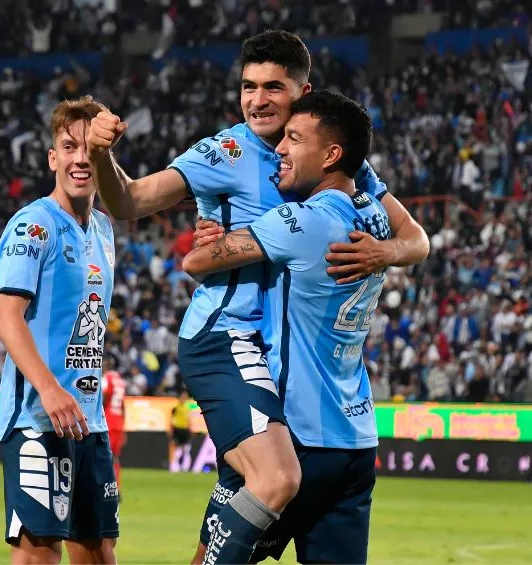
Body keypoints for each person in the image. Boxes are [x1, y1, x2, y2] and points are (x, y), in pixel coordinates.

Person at [87, 30, 429, 562]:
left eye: (273, 87)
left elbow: (417, 239)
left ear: (302, 91)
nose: (258, 100)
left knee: (232, 518)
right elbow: (129, 201)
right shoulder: (224, 152)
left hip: (275, 359)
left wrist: (382, 252)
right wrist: (100, 154)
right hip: (227, 337)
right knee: (274, 479)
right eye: (249, 87)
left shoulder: (336, 159)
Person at [183, 90, 388, 564]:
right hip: (356, 439)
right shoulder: (375, 219)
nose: (279, 148)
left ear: (331, 155)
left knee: (212, 556)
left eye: (294, 139)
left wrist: (214, 228)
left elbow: (196, 262)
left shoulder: (300, 221)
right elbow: (414, 239)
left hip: (294, 435)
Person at [0, 96, 119, 565]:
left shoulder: (103, 228)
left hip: (89, 420)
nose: (80, 159)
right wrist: (48, 389)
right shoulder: (33, 226)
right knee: (39, 552)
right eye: (69, 147)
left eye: (90, 148)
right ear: (52, 158)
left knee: (99, 551)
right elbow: (7, 316)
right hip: (37, 417)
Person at [102, 356, 126, 494]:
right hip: (118, 421)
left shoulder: (107, 378)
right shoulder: (120, 380)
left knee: (105, 454)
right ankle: (117, 486)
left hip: (108, 420)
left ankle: (107, 487)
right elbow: (123, 405)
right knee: (115, 456)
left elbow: (105, 396)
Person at [168, 389, 192, 472]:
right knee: (177, 449)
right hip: (177, 430)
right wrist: (171, 430)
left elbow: (188, 420)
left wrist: (190, 429)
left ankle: (185, 468)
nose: (183, 399)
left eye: (185, 397)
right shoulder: (175, 408)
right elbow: (171, 420)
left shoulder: (187, 408)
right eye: (182, 397)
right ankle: (174, 467)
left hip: (185, 430)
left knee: (186, 449)